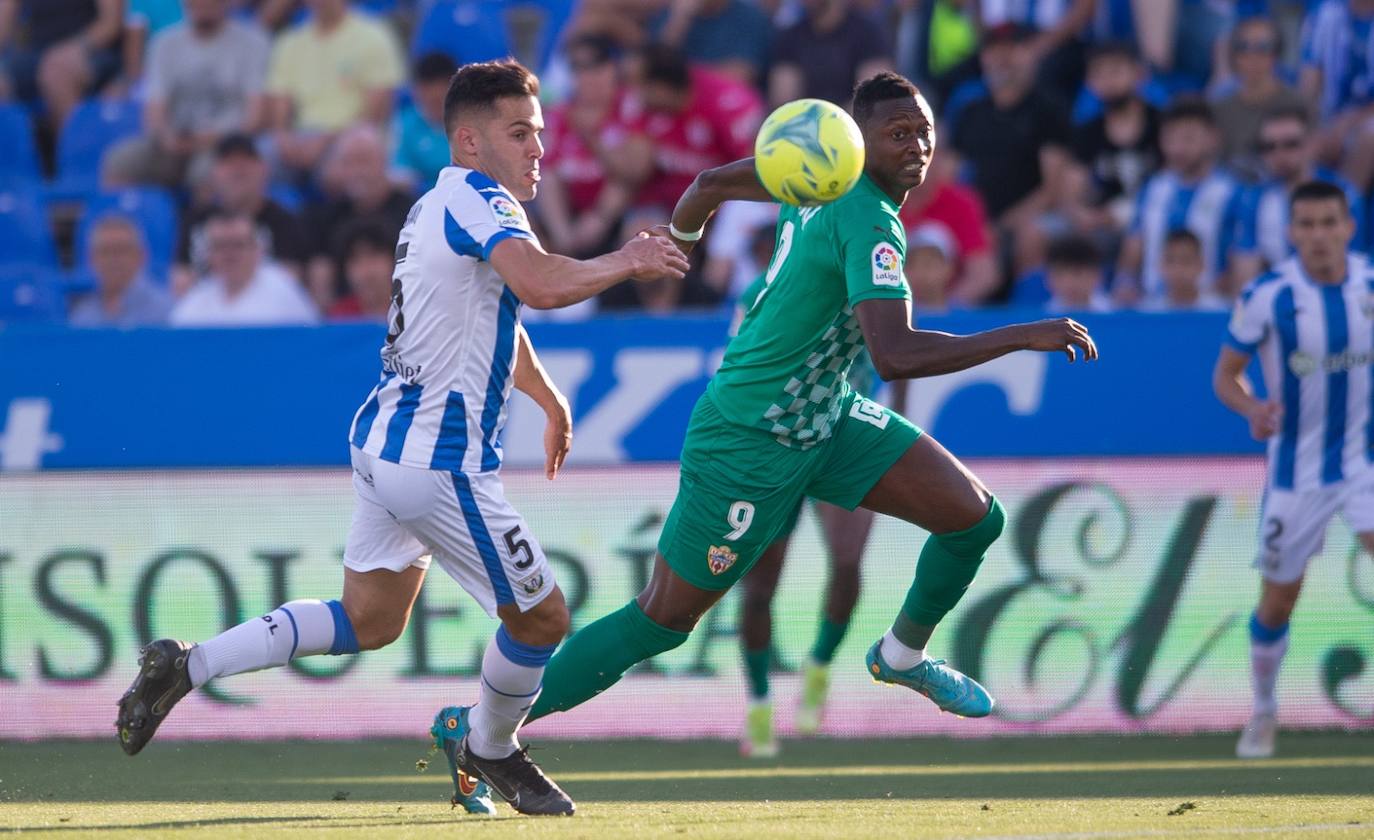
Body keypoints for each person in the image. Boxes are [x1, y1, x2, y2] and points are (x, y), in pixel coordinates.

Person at [115, 59, 689, 818]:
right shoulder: (484, 201)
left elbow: (485, 315)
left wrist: (545, 395)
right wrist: (628, 258)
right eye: (519, 133)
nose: (537, 149)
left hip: (383, 445)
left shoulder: (433, 206)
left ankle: (188, 665)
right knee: (543, 618)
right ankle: (490, 746)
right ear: (470, 141)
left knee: (371, 619)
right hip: (438, 462)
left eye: (539, 133)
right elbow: (542, 284)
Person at [485, 72, 1096, 743]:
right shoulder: (870, 221)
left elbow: (709, 184)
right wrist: (1022, 335)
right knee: (662, 619)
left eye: (923, 131)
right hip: (750, 434)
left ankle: (901, 655)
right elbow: (894, 354)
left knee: (974, 518)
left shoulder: (809, 174)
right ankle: (486, 728)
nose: (916, 146)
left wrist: (679, 244)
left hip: (825, 415)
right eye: (897, 133)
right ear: (860, 140)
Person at [1213, 180, 1373, 760]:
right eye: (1306, 224)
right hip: (1295, 473)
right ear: (1291, 232)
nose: (1319, 235)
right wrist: (1253, 408)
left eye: (1329, 223)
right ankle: (1263, 710)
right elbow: (1225, 376)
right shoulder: (1268, 295)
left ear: (1348, 227)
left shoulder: (1369, 285)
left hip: (1364, 462)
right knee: (1279, 601)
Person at [732, 272, 909, 758]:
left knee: (848, 560)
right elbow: (738, 368)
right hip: (774, 447)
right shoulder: (759, 293)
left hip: (843, 439)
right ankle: (759, 702)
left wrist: (898, 424)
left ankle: (820, 664)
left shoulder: (871, 281)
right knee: (759, 586)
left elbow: (902, 353)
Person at [102, 0, 271, 190]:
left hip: (224, 142)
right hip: (174, 142)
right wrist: (167, 138)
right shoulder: (164, 43)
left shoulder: (253, 42)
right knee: (120, 160)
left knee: (207, 172)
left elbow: (254, 119)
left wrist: (206, 140)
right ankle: (127, 206)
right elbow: (154, 108)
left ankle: (204, 210)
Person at [1116, 96, 1247, 303]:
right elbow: (1133, 251)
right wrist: (1125, 285)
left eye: (1188, 139)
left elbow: (1243, 261)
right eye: (1169, 139)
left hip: (1211, 307)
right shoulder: (1152, 189)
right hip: (1154, 306)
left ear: (1213, 138)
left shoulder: (1233, 193)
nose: (1177, 149)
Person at [264, 0, 405, 178]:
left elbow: (375, 113)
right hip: (301, 136)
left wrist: (326, 140)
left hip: (349, 136)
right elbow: (280, 106)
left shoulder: (374, 36)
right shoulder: (290, 42)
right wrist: (284, 139)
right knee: (258, 157)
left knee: (347, 164)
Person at [1232, 106, 1366, 283]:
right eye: (1269, 147)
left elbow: (1357, 262)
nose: (1279, 154)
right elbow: (1245, 272)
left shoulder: (1344, 194)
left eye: (1291, 144)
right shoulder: (1253, 199)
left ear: (1312, 143)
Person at [175, 133, 309, 289]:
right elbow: (180, 280)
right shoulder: (195, 220)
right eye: (229, 162)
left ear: (264, 169)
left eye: (246, 161)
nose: (238, 169)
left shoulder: (285, 223)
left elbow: (289, 282)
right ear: (213, 174)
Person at [169, 210, 320, 326]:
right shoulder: (198, 297)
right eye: (220, 246)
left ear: (258, 250)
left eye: (238, 245)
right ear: (207, 254)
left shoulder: (283, 290)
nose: (229, 254)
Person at [1211, 15, 1308, 182]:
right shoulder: (1219, 108)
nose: (1252, 56)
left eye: (1262, 47)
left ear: (1276, 54)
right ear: (1234, 56)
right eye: (1243, 47)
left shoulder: (1299, 104)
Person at [768, 0, 894, 109]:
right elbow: (783, 99)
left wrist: (833, 121)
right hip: (806, 123)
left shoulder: (868, 33)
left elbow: (873, 97)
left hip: (853, 124)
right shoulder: (791, 38)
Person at [68, 215, 172, 327]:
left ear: (141, 256)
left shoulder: (166, 311)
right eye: (105, 251)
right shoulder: (83, 315)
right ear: (91, 259)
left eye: (122, 250)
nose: (113, 259)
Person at [390, 52, 459, 192]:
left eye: (440, 98)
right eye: (427, 89)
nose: (434, 95)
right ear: (416, 91)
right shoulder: (405, 124)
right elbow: (400, 174)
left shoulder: (473, 121)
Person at [326, 218, 397, 322]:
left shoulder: (413, 309)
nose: (365, 272)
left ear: (394, 260)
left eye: (373, 256)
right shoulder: (340, 317)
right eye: (355, 260)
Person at [1141, 228, 1228, 312]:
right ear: (1160, 265)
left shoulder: (1219, 311)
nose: (1178, 269)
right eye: (1170, 261)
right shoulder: (1149, 311)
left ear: (1201, 265)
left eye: (1186, 261)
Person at [1043, 232, 1111, 313]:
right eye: (1059, 274)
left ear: (1097, 274)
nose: (1068, 283)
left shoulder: (1112, 312)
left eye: (1077, 273)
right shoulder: (1042, 315)